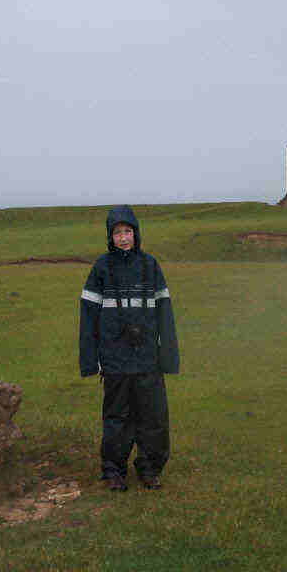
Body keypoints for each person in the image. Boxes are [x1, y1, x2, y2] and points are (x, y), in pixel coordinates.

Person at [79, 205, 180, 490]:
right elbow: (88, 316)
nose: (123, 238)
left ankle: (149, 468)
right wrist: (91, 360)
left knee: (153, 417)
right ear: (110, 237)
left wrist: (168, 357)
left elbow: (164, 314)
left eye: (128, 231)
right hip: (115, 359)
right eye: (117, 233)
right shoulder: (101, 267)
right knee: (117, 418)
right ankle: (114, 471)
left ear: (136, 233)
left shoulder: (150, 265)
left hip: (147, 358)